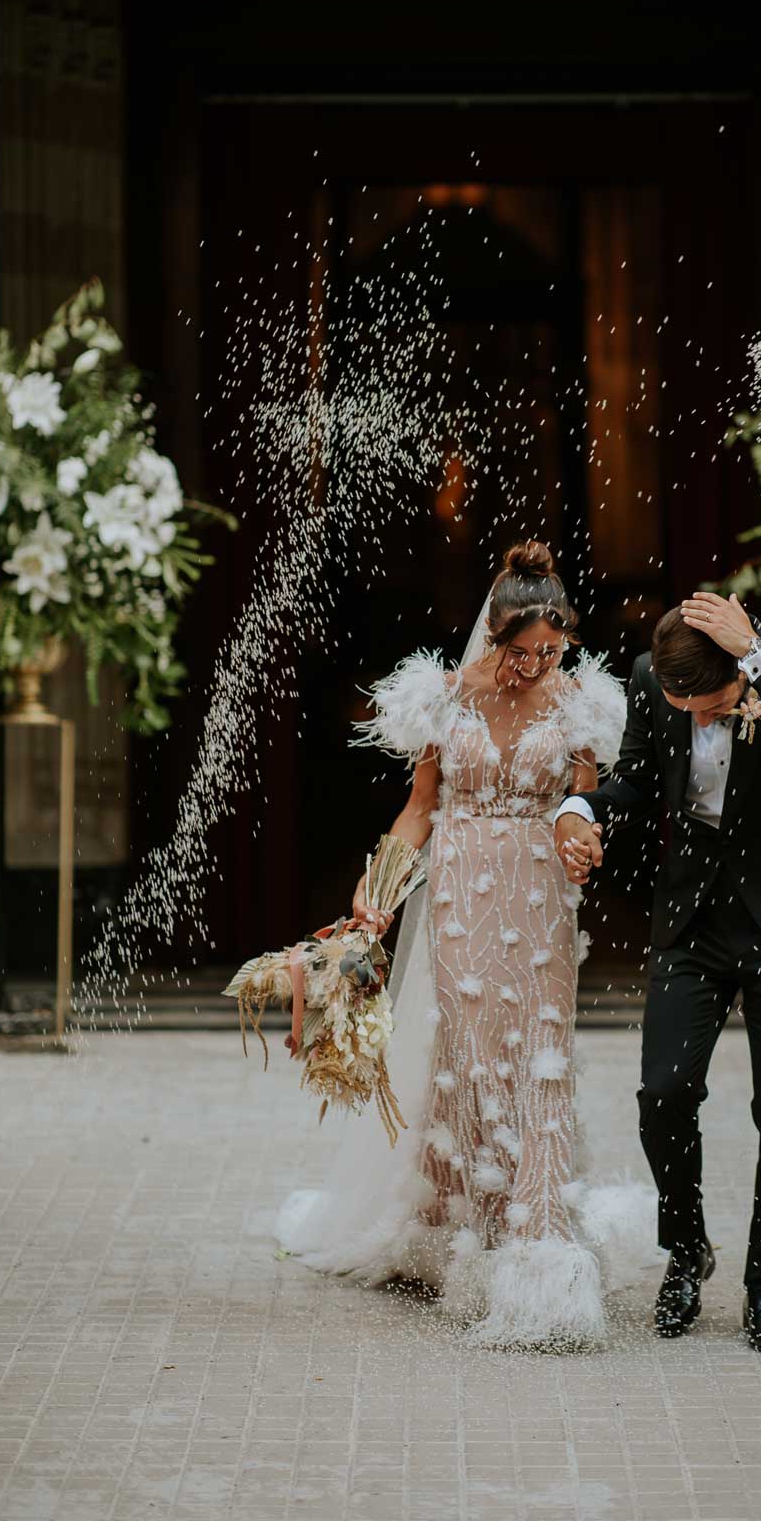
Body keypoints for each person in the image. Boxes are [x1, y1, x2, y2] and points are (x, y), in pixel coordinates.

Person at [276, 541, 655, 1348]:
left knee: (539, 1051)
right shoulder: (446, 703)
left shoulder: (583, 705)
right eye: (520, 652)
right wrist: (377, 889)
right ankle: (472, 1223)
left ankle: (541, 1236)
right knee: (472, 1045)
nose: (534, 666)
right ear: (493, 635)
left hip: (539, 887)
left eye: (551, 651)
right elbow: (420, 806)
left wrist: (584, 841)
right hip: (458, 881)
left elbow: (586, 807)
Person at [555, 590, 761, 1350]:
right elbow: (640, 783)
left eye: (713, 704)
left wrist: (757, 657)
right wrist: (581, 811)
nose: (694, 717)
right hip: (693, 925)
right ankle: (685, 1250)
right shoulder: (651, 679)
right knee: (663, 1091)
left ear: (740, 668)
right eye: (679, 703)